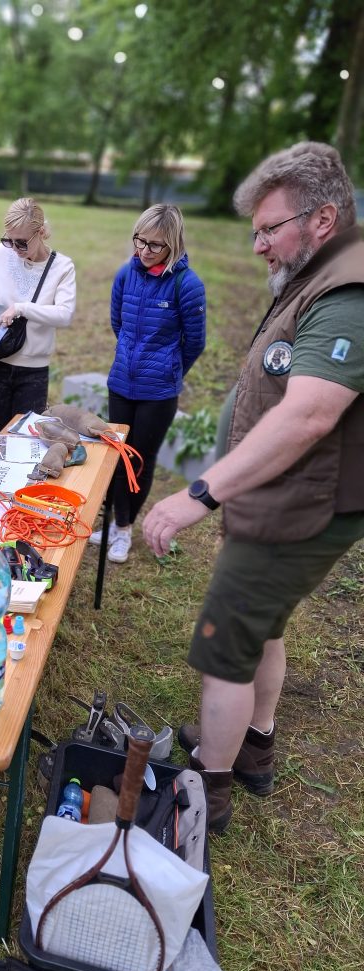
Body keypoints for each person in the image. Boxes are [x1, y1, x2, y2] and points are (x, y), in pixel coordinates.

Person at [143, 142, 364, 833]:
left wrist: (197, 494)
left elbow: (309, 415)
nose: (258, 244)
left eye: (270, 228)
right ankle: (254, 744)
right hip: (286, 495)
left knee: (226, 644)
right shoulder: (318, 273)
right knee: (262, 626)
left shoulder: (346, 291)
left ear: (321, 220)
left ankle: (205, 789)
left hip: (297, 504)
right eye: (255, 230)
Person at [89, 204, 206, 563]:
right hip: (121, 383)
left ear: (173, 244)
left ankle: (124, 530)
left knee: (140, 460)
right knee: (118, 455)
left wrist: (168, 369)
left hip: (159, 393)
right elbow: (118, 323)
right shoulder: (126, 274)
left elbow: (194, 342)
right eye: (139, 240)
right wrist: (132, 358)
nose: (144, 250)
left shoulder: (187, 285)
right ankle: (113, 522)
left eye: (155, 245)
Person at [0, 197, 76, 438]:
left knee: (27, 438)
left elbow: (65, 314)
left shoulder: (62, 267)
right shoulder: (1, 253)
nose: (14, 248)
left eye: (22, 243)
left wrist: (21, 308)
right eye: (9, 240)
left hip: (33, 372)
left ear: (41, 233)